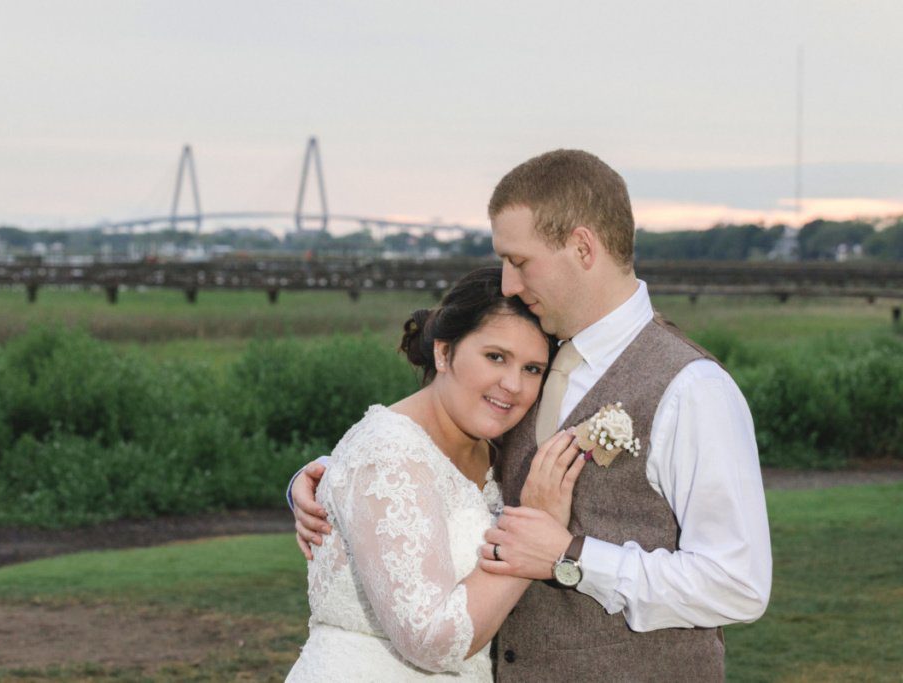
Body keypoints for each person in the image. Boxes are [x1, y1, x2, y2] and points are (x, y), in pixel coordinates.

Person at [292, 149, 772, 681]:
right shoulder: (532, 366)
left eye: (519, 262)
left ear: (582, 247)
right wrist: (328, 480)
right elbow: (434, 467)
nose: (507, 284)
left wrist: (571, 555)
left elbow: (738, 584)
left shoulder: (692, 389)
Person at [286, 267, 587, 681]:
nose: (513, 385)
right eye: (495, 357)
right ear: (444, 354)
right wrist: (535, 533)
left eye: (533, 369)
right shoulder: (386, 453)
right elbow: (429, 638)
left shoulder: (500, 451)